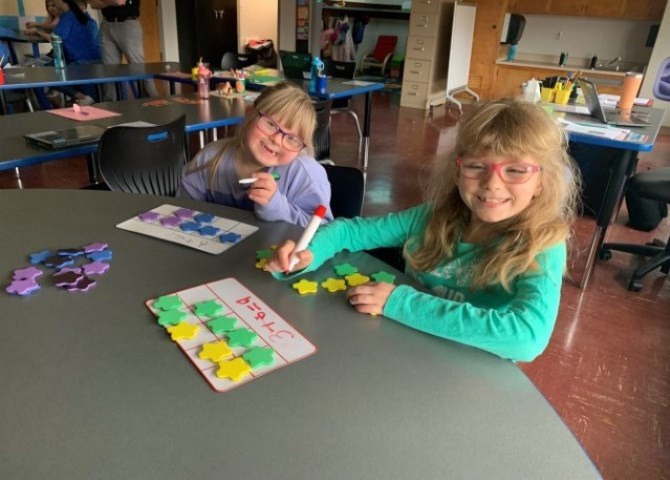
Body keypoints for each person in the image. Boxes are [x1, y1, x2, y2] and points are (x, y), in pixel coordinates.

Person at [264, 99, 581, 362]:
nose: (493, 183)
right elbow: (348, 232)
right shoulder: (433, 217)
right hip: (400, 350)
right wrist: (310, 252)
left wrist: (400, 303)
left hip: (468, 371)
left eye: (515, 170)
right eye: (476, 166)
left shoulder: (543, 244)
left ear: (542, 182)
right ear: (458, 170)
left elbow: (526, 339)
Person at [178, 82, 333, 227]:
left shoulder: (304, 175)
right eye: (271, 124)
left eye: (292, 138)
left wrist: (277, 207)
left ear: (301, 147)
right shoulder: (210, 159)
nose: (277, 140)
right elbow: (183, 210)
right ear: (249, 115)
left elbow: (322, 230)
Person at [33, 0, 101, 106]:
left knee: (42, 75)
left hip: (79, 64)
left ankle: (82, 98)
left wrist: (38, 31)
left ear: (62, 3)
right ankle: (85, 97)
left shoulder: (68, 16)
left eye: (54, 4)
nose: (52, 8)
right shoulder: (87, 19)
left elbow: (55, 38)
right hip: (97, 63)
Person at [88, 0, 158, 100]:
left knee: (138, 67)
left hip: (127, 23)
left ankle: (155, 100)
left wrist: (103, 1)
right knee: (109, 70)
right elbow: (93, 4)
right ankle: (112, 105)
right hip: (106, 24)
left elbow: (119, 1)